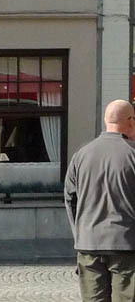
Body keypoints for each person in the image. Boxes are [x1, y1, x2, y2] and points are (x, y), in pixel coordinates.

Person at [64, 99, 135, 302]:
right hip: (126, 245)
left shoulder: (81, 156)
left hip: (89, 244)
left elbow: (70, 198)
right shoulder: (132, 154)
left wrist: (80, 232)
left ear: (106, 120)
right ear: (130, 121)